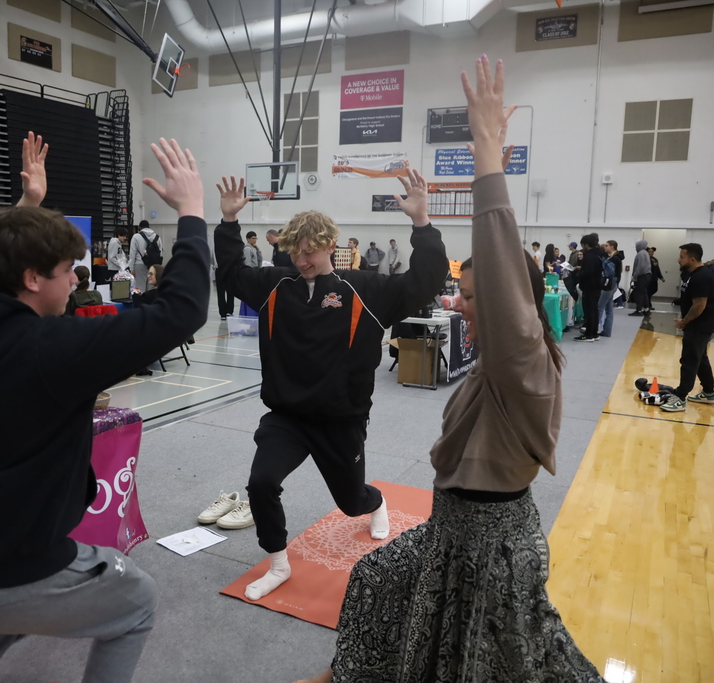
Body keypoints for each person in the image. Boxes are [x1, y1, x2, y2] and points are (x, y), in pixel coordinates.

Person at [295, 55, 602, 683]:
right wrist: (422, 221)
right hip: (452, 531)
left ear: (503, 298)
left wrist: (486, 152)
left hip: (488, 547)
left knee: (493, 661)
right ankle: (341, 674)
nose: (457, 300)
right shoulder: (500, 366)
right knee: (379, 576)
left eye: (469, 291)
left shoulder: (523, 363)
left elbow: (499, 258)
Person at [0, 134, 210, 683]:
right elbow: (181, 310)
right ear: (31, 278)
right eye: (68, 269)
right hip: (16, 573)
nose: (76, 279)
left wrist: (28, 208)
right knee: (137, 601)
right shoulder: (52, 350)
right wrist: (191, 213)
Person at [214, 169, 448, 602]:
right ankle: (279, 564)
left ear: (328, 246)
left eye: (309, 252)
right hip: (286, 416)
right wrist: (228, 223)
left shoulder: (364, 290)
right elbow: (228, 272)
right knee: (262, 482)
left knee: (351, 501)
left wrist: (422, 224)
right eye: (295, 252)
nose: (302, 260)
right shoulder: (273, 286)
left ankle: (374, 503)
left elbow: (424, 281)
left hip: (341, 419)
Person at [660, 243, 714, 413]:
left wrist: (685, 321)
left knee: (689, 360)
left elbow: (700, 305)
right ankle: (709, 392)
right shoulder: (692, 275)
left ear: (692, 259)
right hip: (696, 325)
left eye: (682, 257)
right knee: (700, 358)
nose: (679, 260)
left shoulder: (701, 277)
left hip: (699, 326)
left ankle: (680, 397)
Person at [574, 233, 604, 342]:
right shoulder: (599, 254)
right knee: (594, 309)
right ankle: (594, 333)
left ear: (586, 244)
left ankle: (589, 334)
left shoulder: (590, 255)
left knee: (589, 310)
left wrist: (579, 274)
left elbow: (588, 271)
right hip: (597, 285)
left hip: (589, 285)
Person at [129, 219, 160, 292]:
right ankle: (150, 302)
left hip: (139, 264)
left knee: (139, 288)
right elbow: (160, 252)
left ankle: (140, 302)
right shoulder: (157, 237)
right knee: (151, 287)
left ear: (140, 227)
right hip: (153, 265)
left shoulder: (136, 236)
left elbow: (132, 253)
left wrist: (131, 268)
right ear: (149, 227)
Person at [598, 246, 618, 338]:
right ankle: (607, 331)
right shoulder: (614, 259)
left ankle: (594, 329)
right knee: (609, 309)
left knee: (600, 307)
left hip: (607, 285)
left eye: (607, 245)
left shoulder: (605, 260)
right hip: (613, 284)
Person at [629, 239, 652, 316]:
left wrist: (635, 276)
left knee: (639, 293)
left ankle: (639, 310)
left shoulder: (641, 254)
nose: (636, 248)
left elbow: (640, 267)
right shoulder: (645, 253)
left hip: (642, 276)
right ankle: (646, 309)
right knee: (644, 292)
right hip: (647, 275)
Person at [605, 240, 626, 307]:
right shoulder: (614, 257)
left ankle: (619, 303)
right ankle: (618, 303)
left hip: (613, 278)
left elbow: (611, 270)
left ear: (612, 247)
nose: (605, 247)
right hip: (615, 278)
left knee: (614, 291)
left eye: (606, 246)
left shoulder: (615, 258)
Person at [647, 246, 665, 311]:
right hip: (648, 278)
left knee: (654, 289)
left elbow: (657, 269)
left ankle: (647, 300)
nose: (650, 253)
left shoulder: (655, 259)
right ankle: (648, 304)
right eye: (649, 251)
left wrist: (661, 277)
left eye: (652, 251)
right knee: (648, 292)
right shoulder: (646, 259)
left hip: (654, 278)